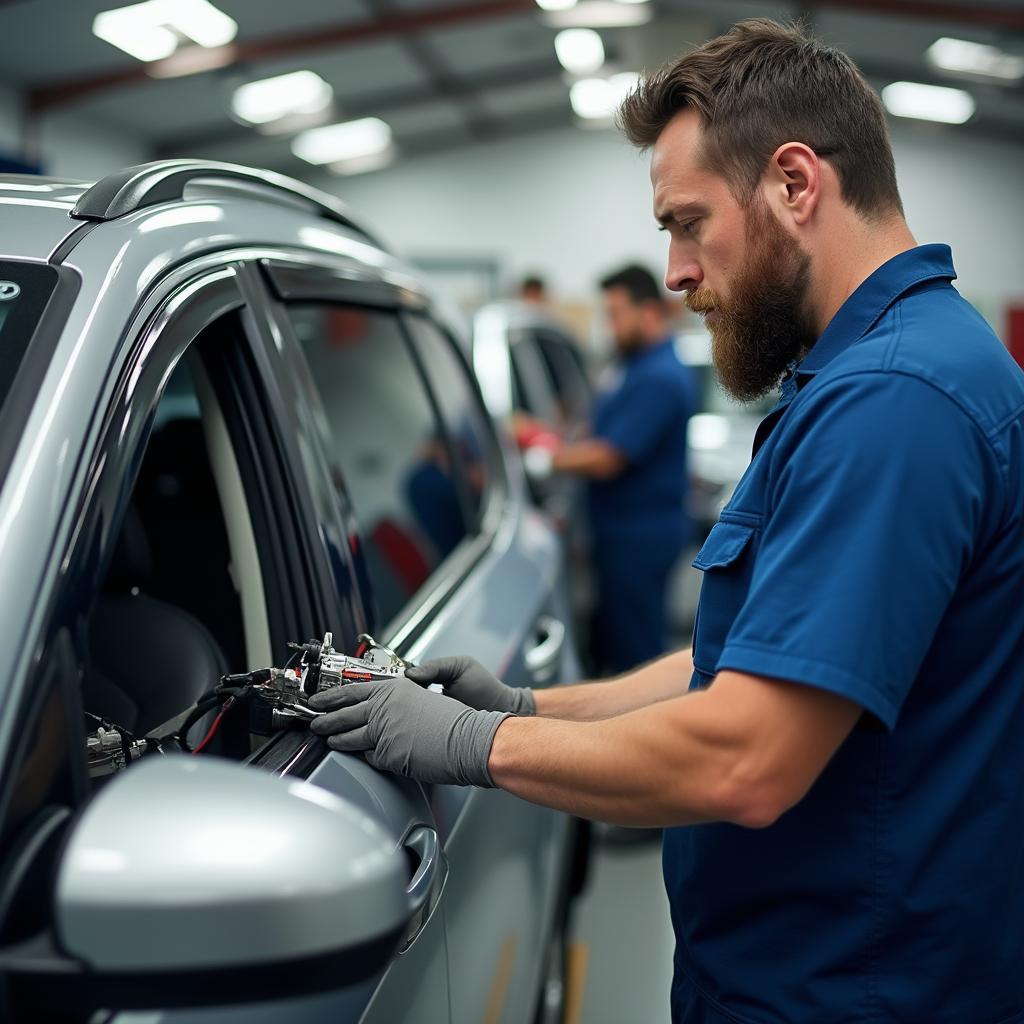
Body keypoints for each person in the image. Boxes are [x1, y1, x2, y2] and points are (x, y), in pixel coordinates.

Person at [307, 19, 1024, 1024]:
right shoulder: (888, 373)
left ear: (793, 182)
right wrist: (523, 707)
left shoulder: (894, 400)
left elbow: (746, 752)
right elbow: (731, 673)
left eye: (688, 222)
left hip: (847, 988)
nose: (677, 270)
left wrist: (468, 745)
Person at [547, 264, 693, 672]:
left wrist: (541, 460)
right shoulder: (632, 366)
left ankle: (649, 730)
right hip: (621, 532)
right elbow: (597, 423)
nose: (608, 326)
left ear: (647, 312)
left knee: (638, 655)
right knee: (619, 638)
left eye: (615, 315)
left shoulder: (660, 376)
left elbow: (610, 456)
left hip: (640, 537)